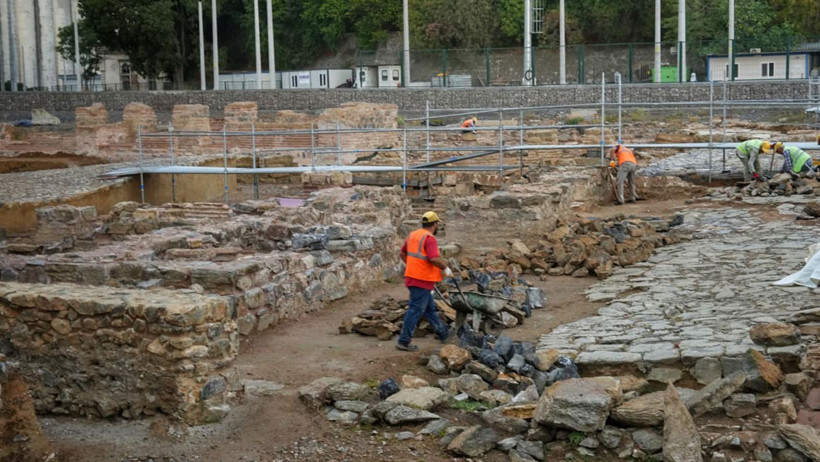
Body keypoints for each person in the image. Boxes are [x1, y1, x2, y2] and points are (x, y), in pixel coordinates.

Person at [396, 211, 453, 352]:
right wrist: (445, 268)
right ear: (434, 224)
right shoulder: (429, 238)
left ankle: (443, 333)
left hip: (413, 277)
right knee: (415, 310)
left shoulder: (413, 235)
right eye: (437, 224)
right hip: (421, 279)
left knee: (429, 309)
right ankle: (403, 341)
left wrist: (412, 266)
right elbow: (433, 258)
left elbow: (402, 253)